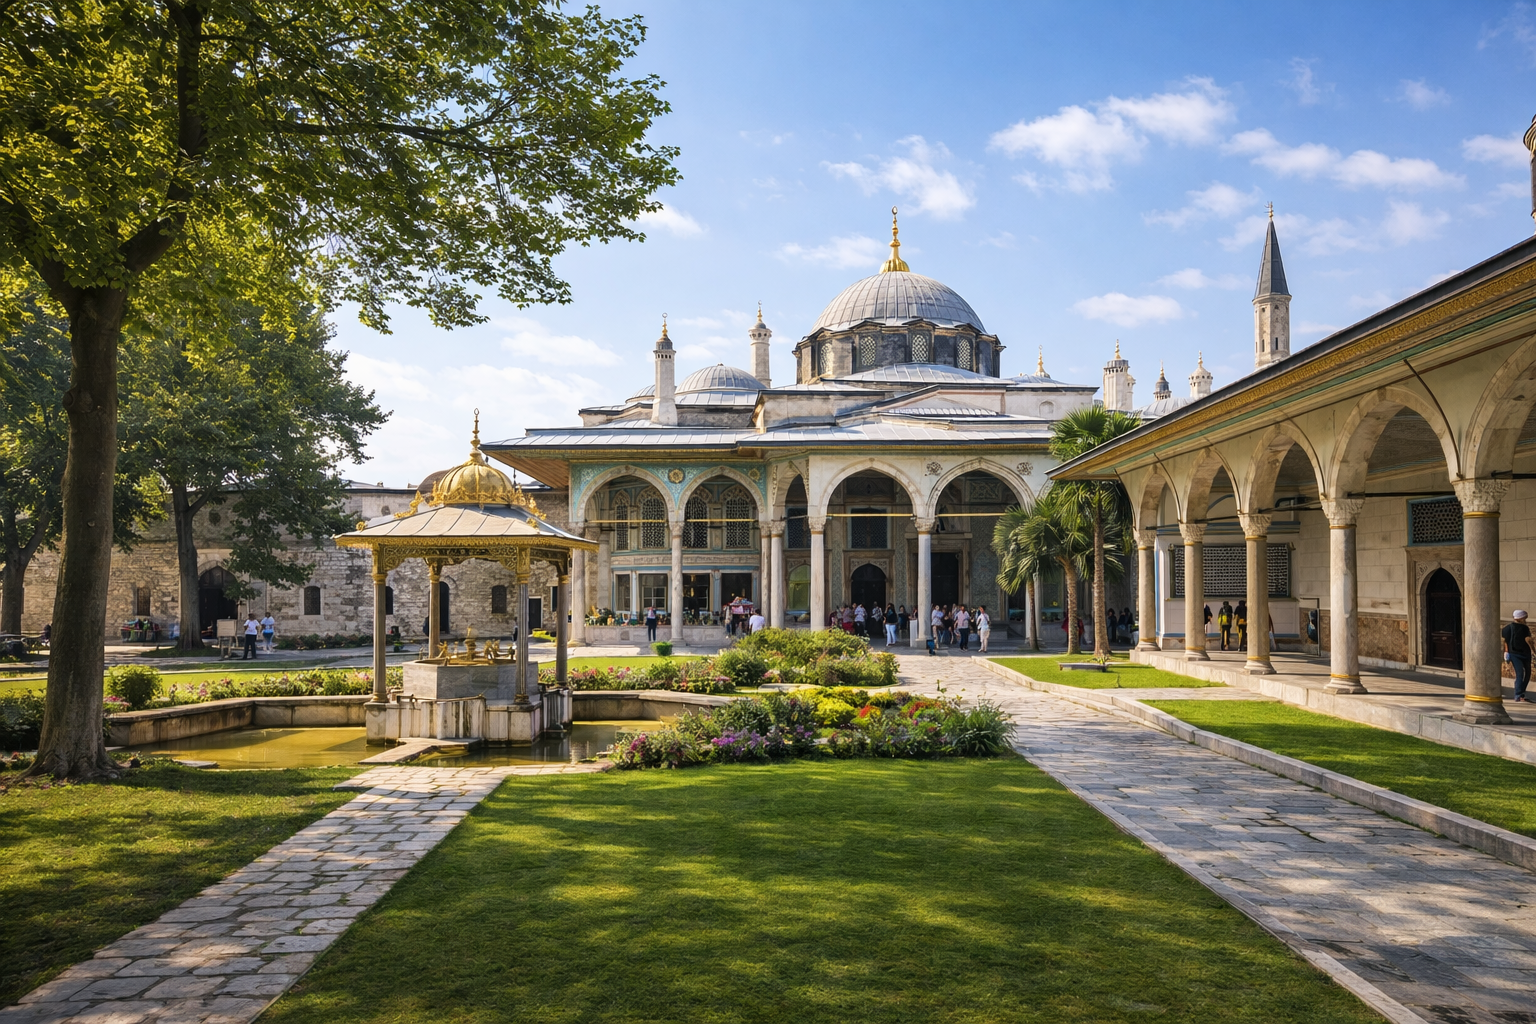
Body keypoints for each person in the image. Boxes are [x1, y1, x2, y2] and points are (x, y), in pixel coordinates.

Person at [1504, 609, 1532, 703]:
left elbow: (1505, 640)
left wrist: (1506, 651)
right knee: (1523, 674)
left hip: (1515, 653)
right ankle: (1518, 695)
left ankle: (1520, 694)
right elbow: (1529, 640)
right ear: (1521, 618)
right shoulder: (1524, 628)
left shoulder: (1508, 627)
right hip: (1520, 654)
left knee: (1523, 674)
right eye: (1525, 617)